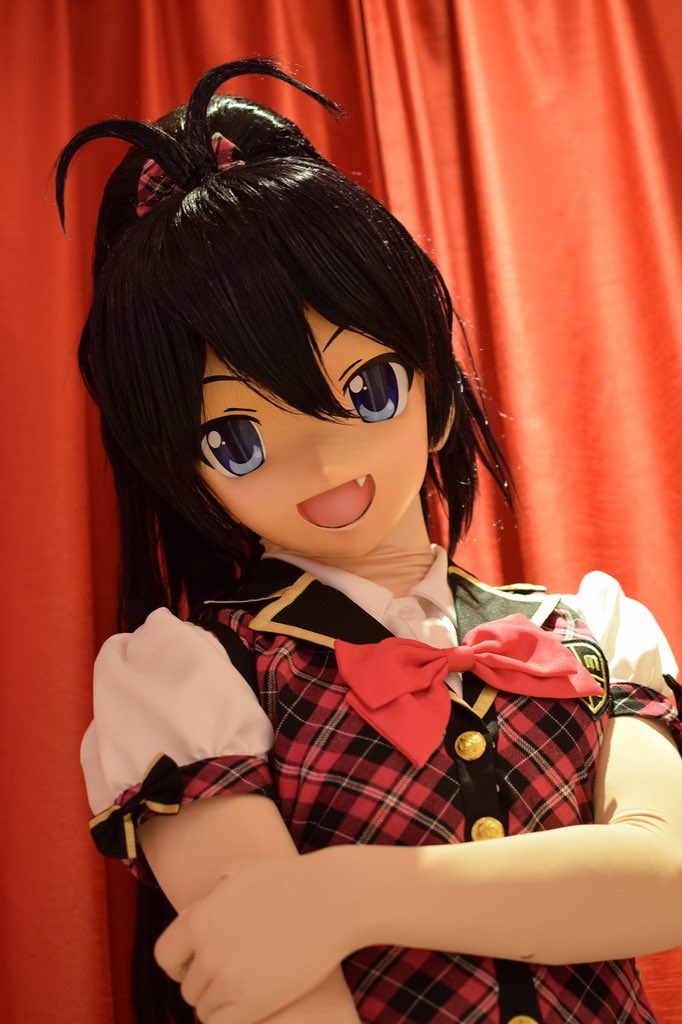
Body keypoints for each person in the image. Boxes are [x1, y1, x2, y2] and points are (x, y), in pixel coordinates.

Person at [57, 58, 682, 1024]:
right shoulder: (191, 679)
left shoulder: (594, 628)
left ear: (435, 389)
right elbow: (272, 979)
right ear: (187, 472)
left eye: (367, 389)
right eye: (239, 437)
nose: (320, 459)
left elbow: (667, 877)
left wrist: (341, 894)